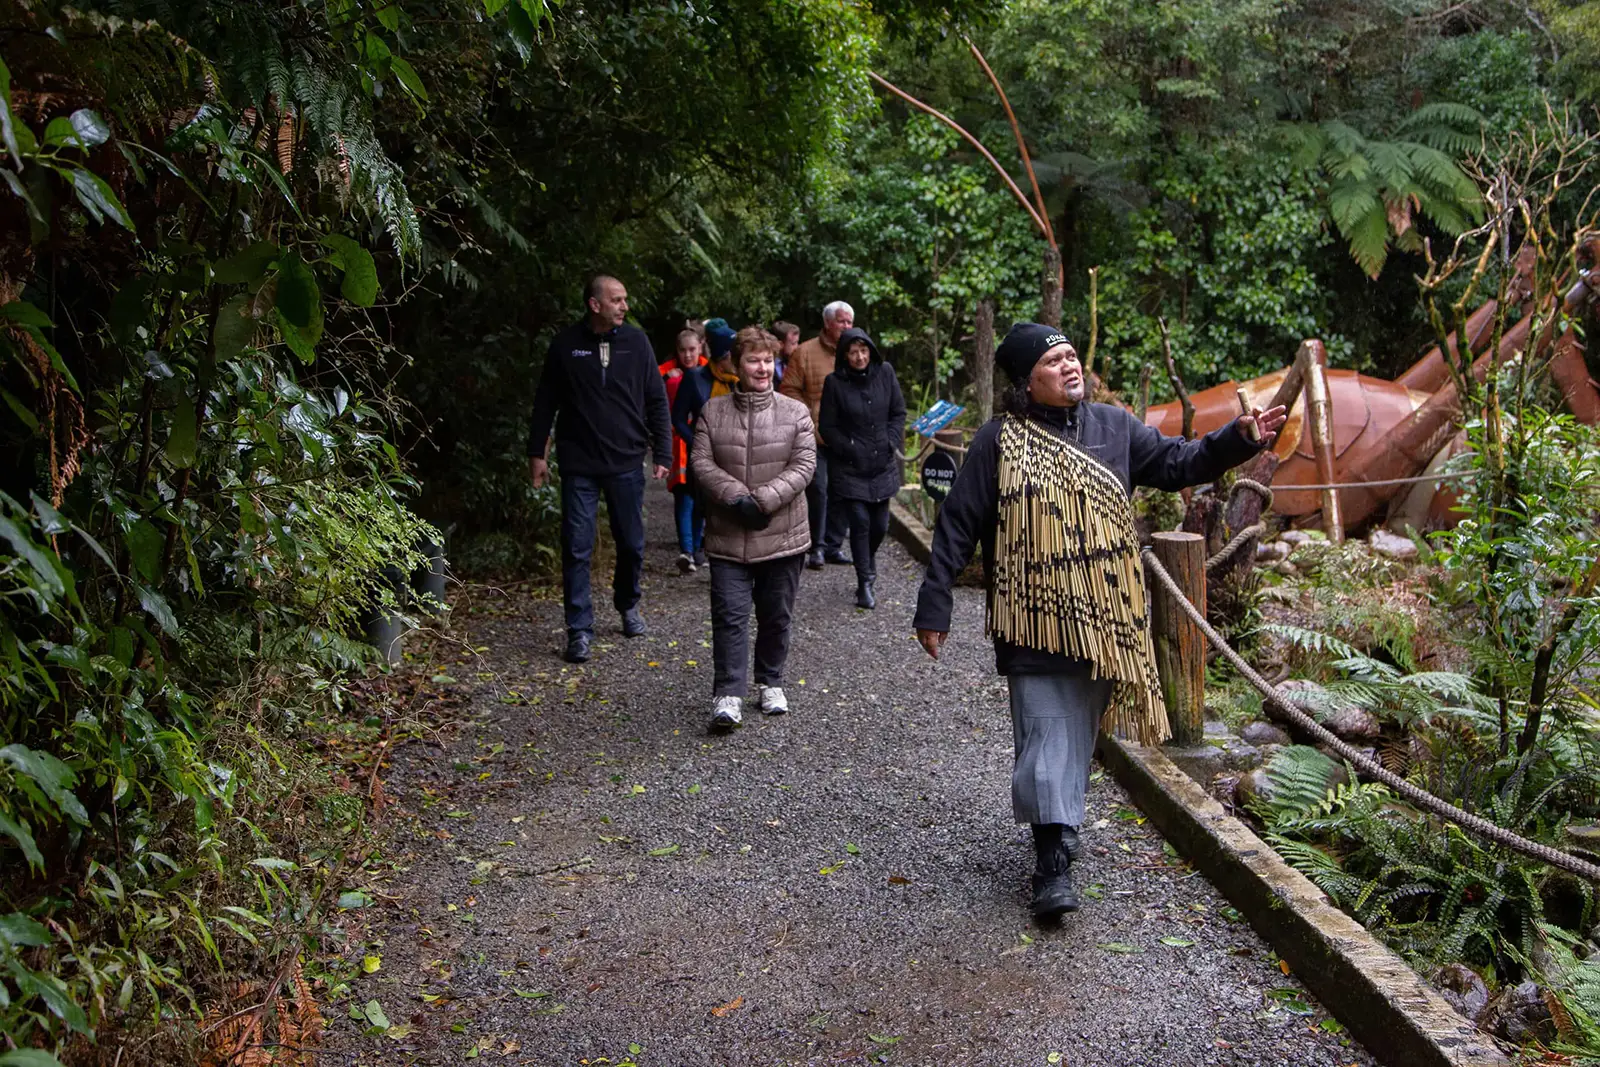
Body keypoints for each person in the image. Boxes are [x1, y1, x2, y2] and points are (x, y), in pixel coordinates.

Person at [912, 323, 1286, 919]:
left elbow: (1179, 462)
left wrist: (1240, 439)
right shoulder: (998, 442)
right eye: (1053, 360)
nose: (1069, 366)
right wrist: (936, 603)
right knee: (1045, 725)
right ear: (1026, 382)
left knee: (1076, 725)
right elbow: (958, 523)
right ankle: (1052, 861)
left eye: (1070, 355)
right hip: (1031, 615)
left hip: (1104, 613)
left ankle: (1060, 825)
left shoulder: (1114, 428)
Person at [528, 275, 671, 665]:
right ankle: (579, 630)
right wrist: (537, 453)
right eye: (617, 300)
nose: (625, 306)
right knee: (576, 546)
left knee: (631, 544)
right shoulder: (565, 345)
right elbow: (545, 403)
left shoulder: (637, 342)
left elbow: (656, 399)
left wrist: (663, 450)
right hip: (579, 465)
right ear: (595, 305)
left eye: (625, 299)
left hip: (626, 461)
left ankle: (628, 605)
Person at [690, 326, 816, 730]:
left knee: (776, 615)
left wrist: (762, 500)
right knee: (729, 615)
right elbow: (701, 463)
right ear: (736, 364)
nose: (762, 368)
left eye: (768, 360)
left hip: (782, 533)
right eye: (753, 360)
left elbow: (804, 465)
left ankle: (771, 680)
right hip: (729, 534)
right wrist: (735, 497)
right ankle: (728, 693)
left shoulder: (794, 412)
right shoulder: (714, 411)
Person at [818, 327, 905, 609]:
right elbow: (827, 427)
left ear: (871, 350)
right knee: (860, 522)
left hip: (882, 462)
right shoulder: (834, 383)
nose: (859, 357)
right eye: (853, 352)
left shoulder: (886, 373)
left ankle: (866, 561)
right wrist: (848, 447)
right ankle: (864, 581)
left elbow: (898, 413)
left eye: (863, 350)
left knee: (880, 525)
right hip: (850, 466)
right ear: (845, 355)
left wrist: (891, 441)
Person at [780, 301, 854, 569]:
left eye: (849, 322)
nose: (846, 326)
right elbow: (788, 389)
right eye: (842, 321)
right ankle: (816, 546)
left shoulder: (855, 351)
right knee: (818, 489)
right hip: (816, 436)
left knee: (843, 490)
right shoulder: (805, 352)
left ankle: (834, 545)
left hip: (846, 437)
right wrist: (809, 417)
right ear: (827, 323)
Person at [661, 328, 708, 573]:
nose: (688, 355)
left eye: (692, 349)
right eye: (683, 350)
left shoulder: (710, 372)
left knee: (701, 498)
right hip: (679, 443)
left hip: (704, 443)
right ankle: (687, 550)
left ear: (700, 346)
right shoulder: (668, 374)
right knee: (684, 496)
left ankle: (698, 547)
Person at [771, 320, 800, 389]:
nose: (797, 347)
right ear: (780, 344)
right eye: (793, 343)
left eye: (797, 342)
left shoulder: (796, 362)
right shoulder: (764, 363)